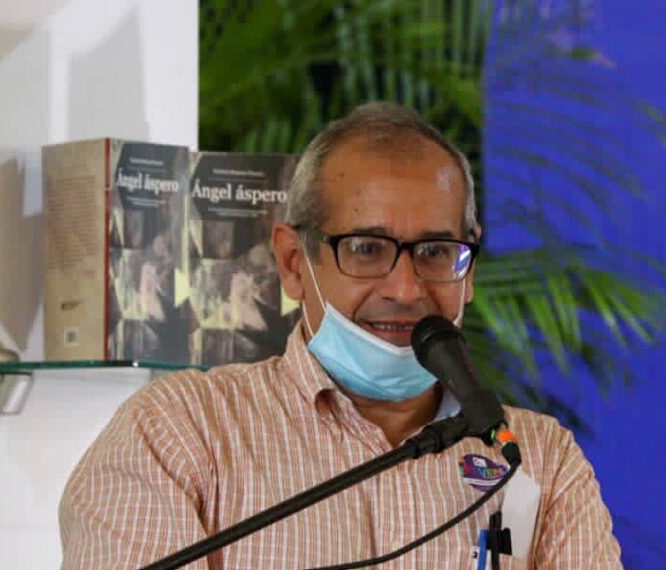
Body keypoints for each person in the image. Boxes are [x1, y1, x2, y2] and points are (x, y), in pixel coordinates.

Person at [59, 102, 623, 569]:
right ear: (292, 263)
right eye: (366, 249)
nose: (405, 288)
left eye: (435, 252)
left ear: (468, 269)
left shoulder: (538, 458)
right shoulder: (178, 434)